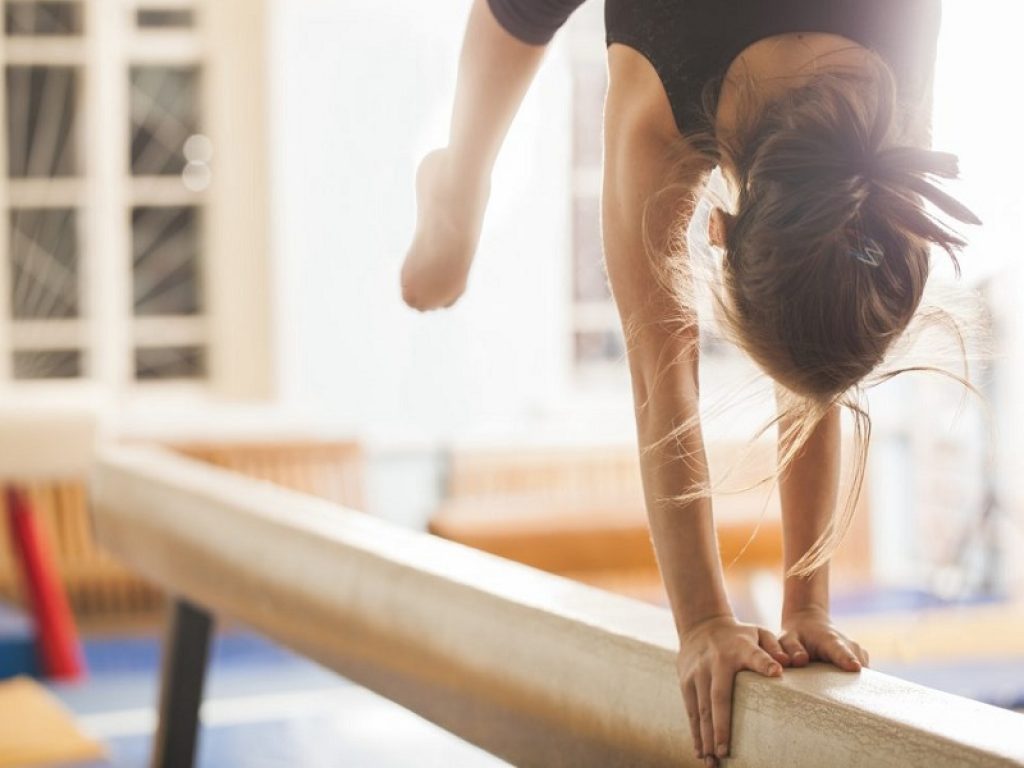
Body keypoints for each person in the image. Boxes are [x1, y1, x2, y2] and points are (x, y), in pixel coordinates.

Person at [400, 1, 980, 765]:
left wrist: (806, 602)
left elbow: (823, 335)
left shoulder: (891, 117)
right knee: (439, 261)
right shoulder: (655, 112)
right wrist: (702, 620)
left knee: (817, 291)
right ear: (716, 231)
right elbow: (660, 380)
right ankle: (458, 190)